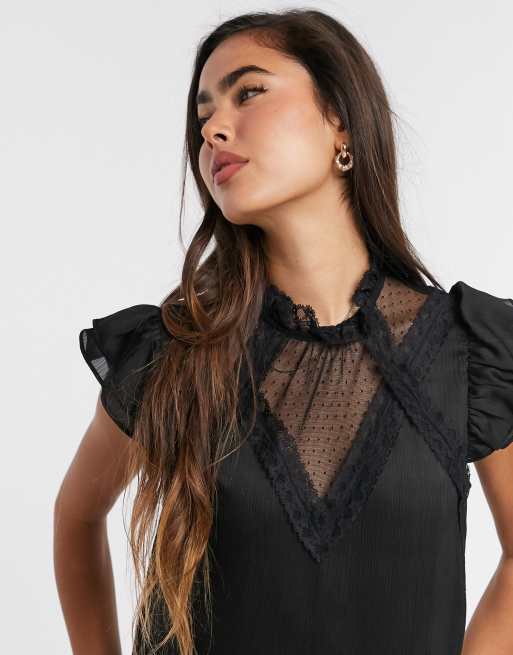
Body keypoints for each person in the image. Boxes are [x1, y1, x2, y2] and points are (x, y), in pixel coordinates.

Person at [53, 8, 513, 655]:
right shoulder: (172, 351)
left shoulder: (468, 350)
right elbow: (77, 515)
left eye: (248, 92)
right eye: (203, 115)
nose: (212, 128)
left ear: (340, 119)